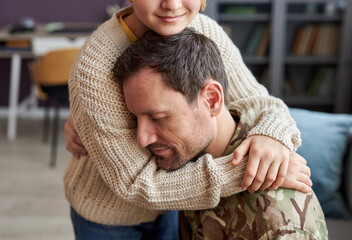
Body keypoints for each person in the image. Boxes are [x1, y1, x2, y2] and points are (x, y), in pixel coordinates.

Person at [64, 1, 311, 239]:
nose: (172, 4)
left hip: (182, 202)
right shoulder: (94, 68)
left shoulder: (204, 30)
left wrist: (272, 136)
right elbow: (136, 184)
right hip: (109, 218)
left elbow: (258, 101)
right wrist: (248, 171)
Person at [113, 28, 328, 239]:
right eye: (136, 118)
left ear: (212, 100)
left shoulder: (280, 226)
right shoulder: (190, 155)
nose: (142, 139)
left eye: (159, 118)